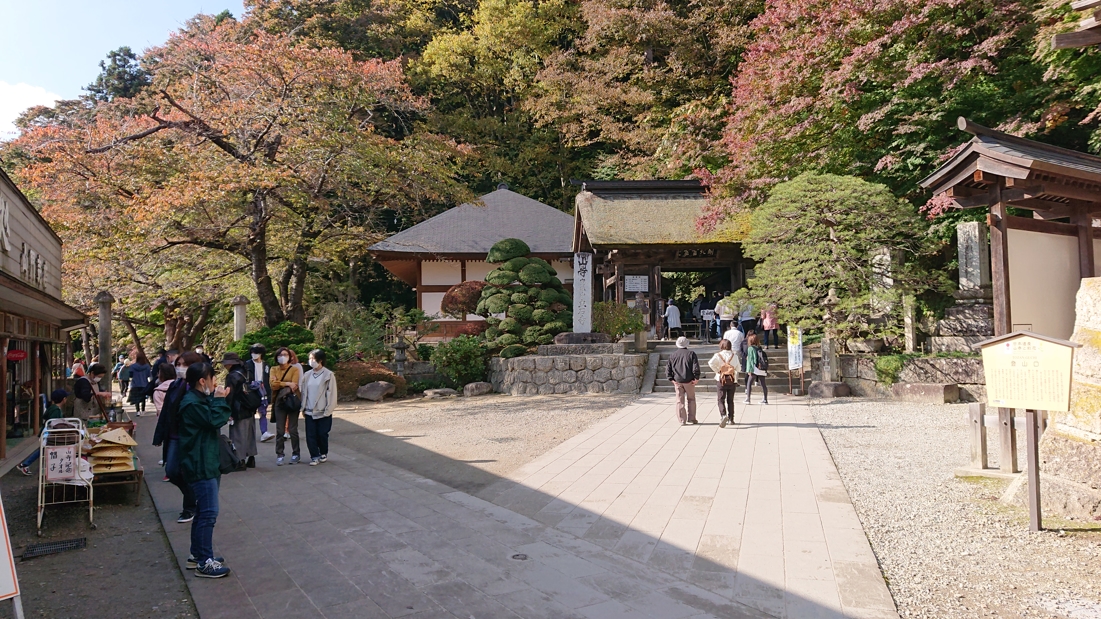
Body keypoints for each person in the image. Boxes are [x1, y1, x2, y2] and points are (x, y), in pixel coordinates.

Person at [178, 362, 232, 578]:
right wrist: (219, 400)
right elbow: (213, 419)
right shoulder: (191, 403)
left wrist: (217, 398)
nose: (214, 382)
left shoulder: (196, 399)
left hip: (205, 460)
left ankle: (197, 555)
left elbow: (209, 412)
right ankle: (204, 562)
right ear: (203, 381)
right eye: (212, 378)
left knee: (203, 512)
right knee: (208, 513)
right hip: (200, 463)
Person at [153, 352, 203, 524]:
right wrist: (159, 435)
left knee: (187, 471)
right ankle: (193, 498)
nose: (180, 368)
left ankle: (190, 507)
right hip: (174, 435)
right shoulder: (176, 385)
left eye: (185, 364)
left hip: (191, 437)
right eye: (178, 364)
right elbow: (167, 411)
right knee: (172, 471)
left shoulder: (199, 386)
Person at [300, 349, 338, 466]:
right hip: (309, 410)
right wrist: (303, 407)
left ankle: (323, 452)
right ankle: (314, 456)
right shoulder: (307, 375)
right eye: (310, 358)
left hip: (323, 410)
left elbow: (332, 394)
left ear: (320, 360)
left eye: (313, 359)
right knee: (310, 435)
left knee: (322, 433)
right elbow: (303, 392)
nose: (311, 361)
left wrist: (329, 410)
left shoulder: (328, 375)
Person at [16, 389, 68, 476]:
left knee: (43, 450)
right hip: (50, 434)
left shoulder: (52, 408)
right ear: (63, 399)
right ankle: (25, 464)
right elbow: (54, 423)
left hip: (46, 432)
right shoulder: (56, 410)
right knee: (44, 450)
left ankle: (25, 464)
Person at [220, 352, 259, 469]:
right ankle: (251, 458)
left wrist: (228, 411)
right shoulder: (247, 372)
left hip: (238, 408)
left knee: (238, 435)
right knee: (250, 433)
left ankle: (240, 460)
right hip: (250, 406)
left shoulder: (232, 376)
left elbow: (230, 395)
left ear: (230, 364)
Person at [269, 347, 302, 465]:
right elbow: (273, 385)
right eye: (280, 355)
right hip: (279, 402)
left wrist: (280, 383)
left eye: (285, 354)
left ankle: (296, 453)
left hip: (292, 401)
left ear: (289, 357)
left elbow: (295, 385)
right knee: (280, 429)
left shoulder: (294, 369)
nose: (282, 357)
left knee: (293, 429)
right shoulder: (274, 369)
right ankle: (280, 454)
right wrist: (287, 383)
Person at [665, 337, 700, 425]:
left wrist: (671, 379)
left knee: (679, 401)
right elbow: (695, 367)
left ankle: (682, 419)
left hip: (678, 380)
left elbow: (668, 368)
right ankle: (692, 418)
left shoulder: (673, 355)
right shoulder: (691, 354)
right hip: (689, 380)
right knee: (691, 399)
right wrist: (696, 377)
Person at [708, 339, 740, 428]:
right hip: (731, 379)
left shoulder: (718, 355)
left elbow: (710, 363)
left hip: (721, 379)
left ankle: (723, 415)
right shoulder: (734, 356)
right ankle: (731, 418)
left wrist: (718, 370)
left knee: (720, 399)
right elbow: (739, 368)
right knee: (730, 400)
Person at [246, 344, 274, 443]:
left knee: (263, 412)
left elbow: (268, 379)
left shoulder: (266, 365)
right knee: (250, 413)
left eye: (256, 352)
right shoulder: (247, 364)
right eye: (252, 352)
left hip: (263, 390)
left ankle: (264, 432)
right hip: (252, 390)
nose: (254, 355)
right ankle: (249, 434)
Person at [743, 332, 769, 405]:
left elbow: (751, 360)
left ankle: (748, 399)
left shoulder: (750, 348)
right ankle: (765, 399)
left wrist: (749, 370)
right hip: (761, 368)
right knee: (763, 384)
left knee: (749, 383)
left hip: (754, 368)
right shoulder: (759, 348)